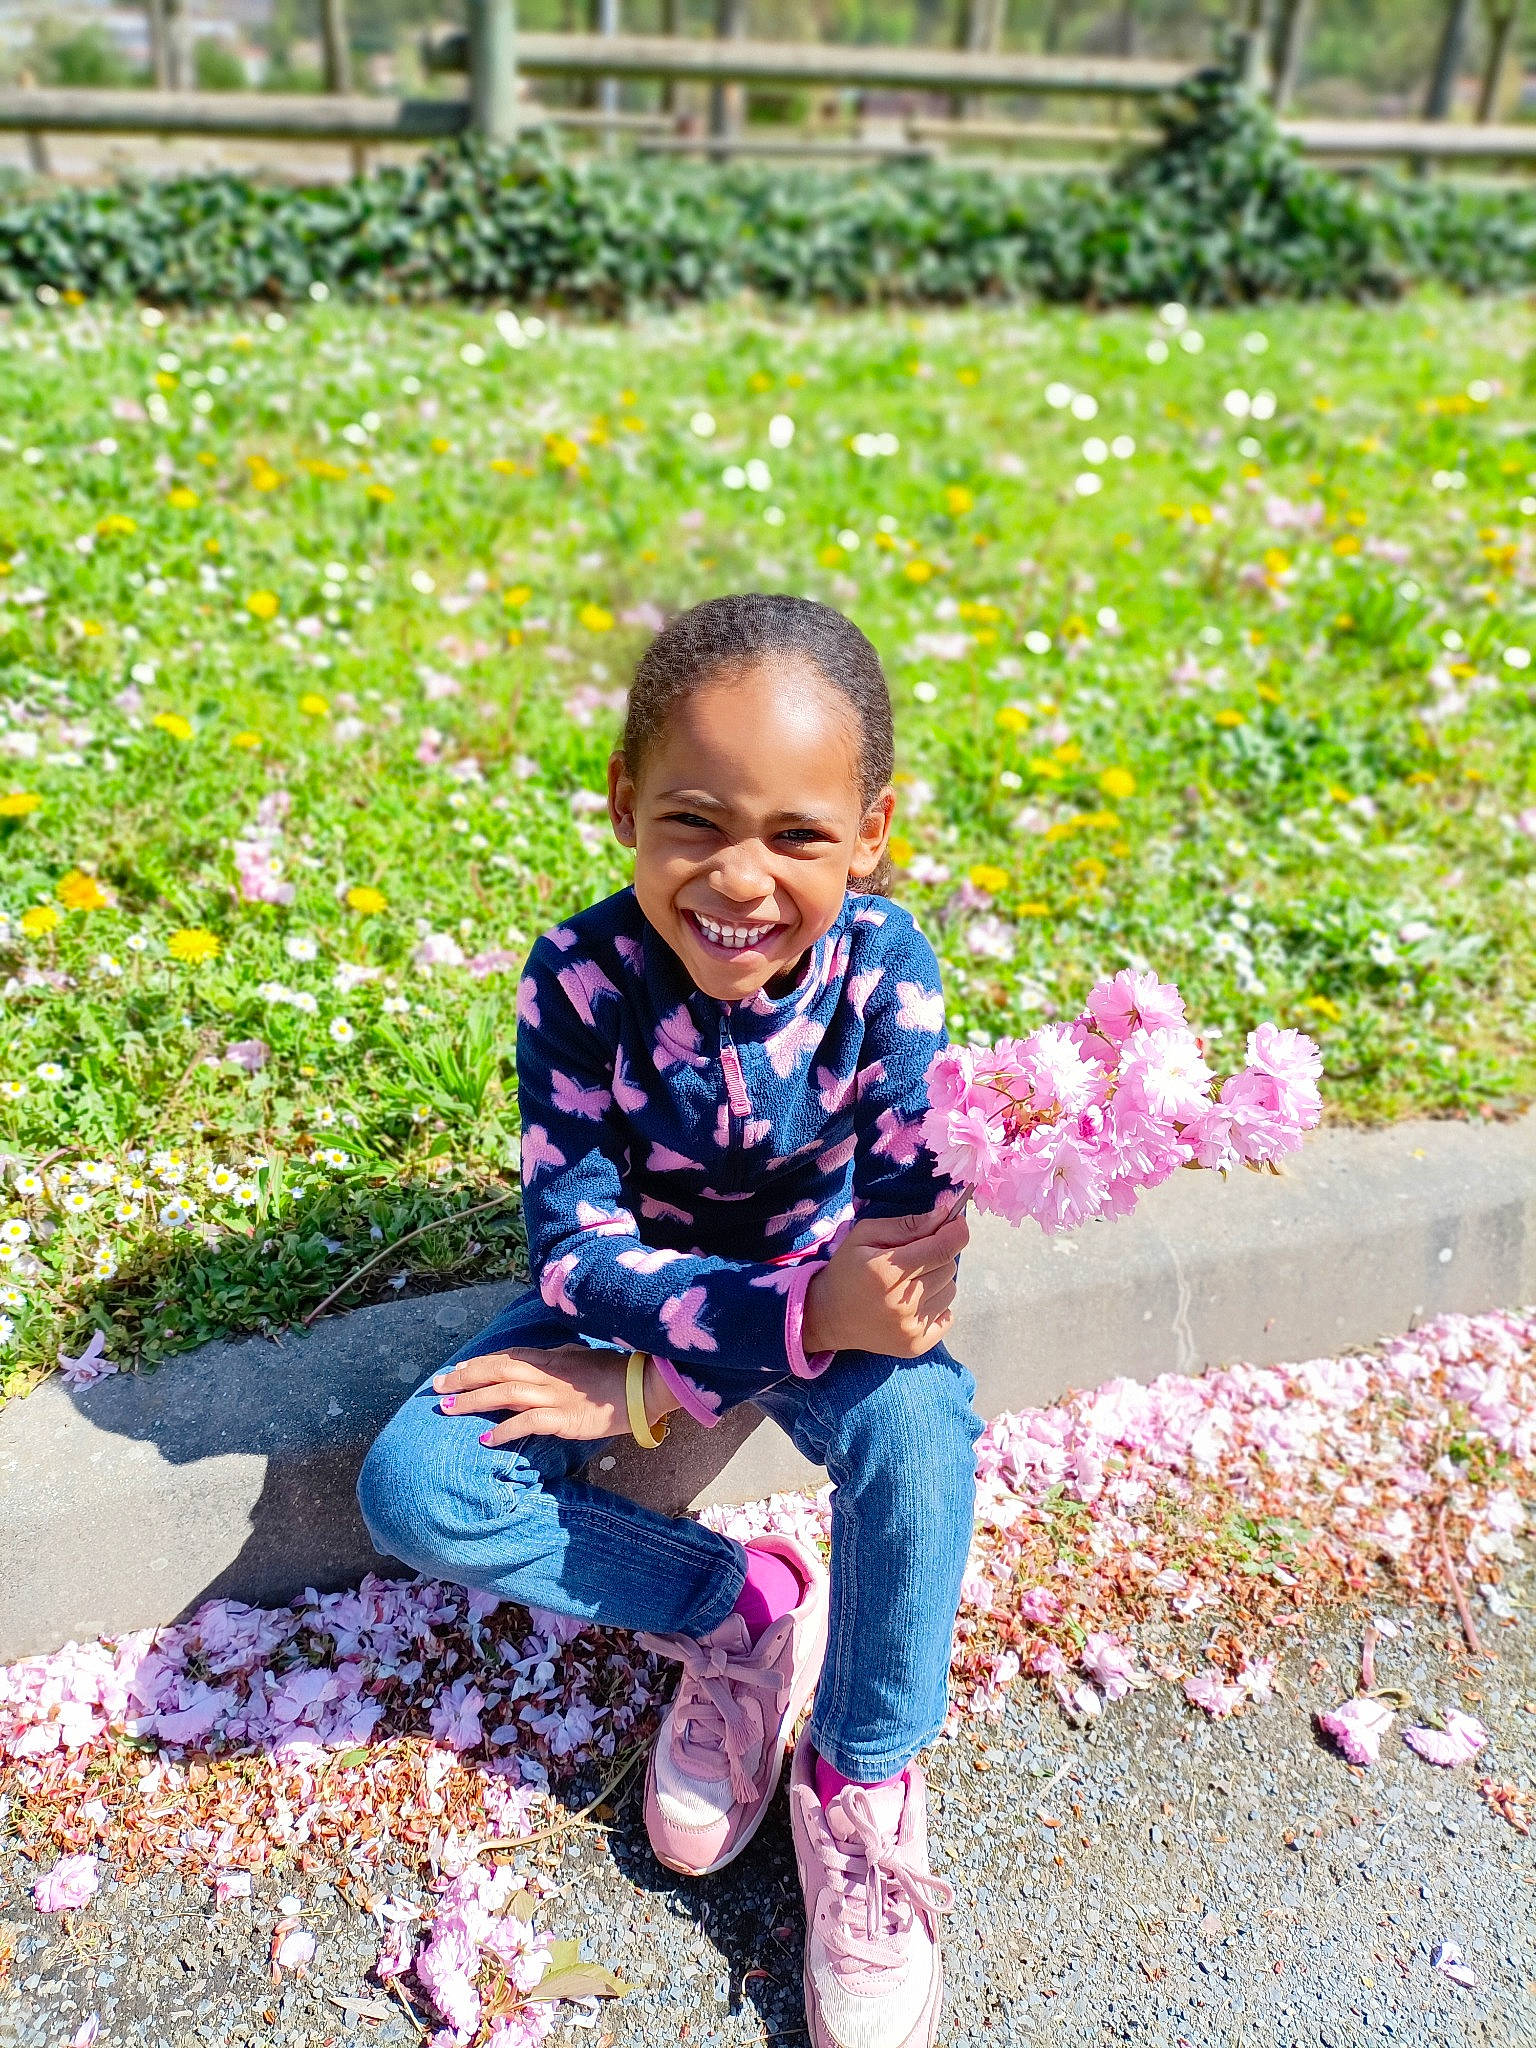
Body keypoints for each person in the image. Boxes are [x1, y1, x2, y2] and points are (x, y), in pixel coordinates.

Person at [358, 592, 979, 2048]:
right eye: (695, 822)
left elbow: (895, 1280)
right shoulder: (578, 981)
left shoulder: (892, 974)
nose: (740, 880)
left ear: (873, 832)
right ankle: (746, 1608)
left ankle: (864, 1772)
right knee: (419, 1481)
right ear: (627, 804)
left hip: (812, 1319)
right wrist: (687, 1350)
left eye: (799, 837)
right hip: (671, 1298)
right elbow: (573, 1254)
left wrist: (655, 1399)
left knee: (924, 1426)